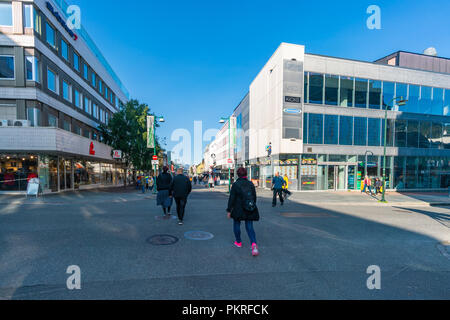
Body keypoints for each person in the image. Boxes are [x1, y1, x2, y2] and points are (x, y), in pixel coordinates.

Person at [226, 167, 260, 257]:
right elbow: (254, 197)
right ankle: (254, 245)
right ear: (246, 174)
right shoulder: (250, 184)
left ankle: (238, 241)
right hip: (249, 208)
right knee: (249, 227)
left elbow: (232, 198)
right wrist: (251, 206)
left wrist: (229, 210)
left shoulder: (236, 184)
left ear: (238, 175)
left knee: (236, 224)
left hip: (238, 209)